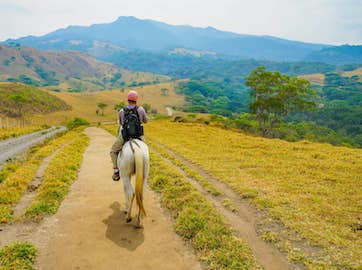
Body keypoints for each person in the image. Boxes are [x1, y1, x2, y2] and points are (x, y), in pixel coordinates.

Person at [110, 90, 148, 181]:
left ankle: (116, 171)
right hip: (139, 136)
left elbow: (120, 124)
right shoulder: (141, 109)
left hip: (125, 136)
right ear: (136, 99)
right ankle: (146, 167)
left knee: (113, 151)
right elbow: (146, 121)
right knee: (145, 150)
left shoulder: (122, 111)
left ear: (128, 100)